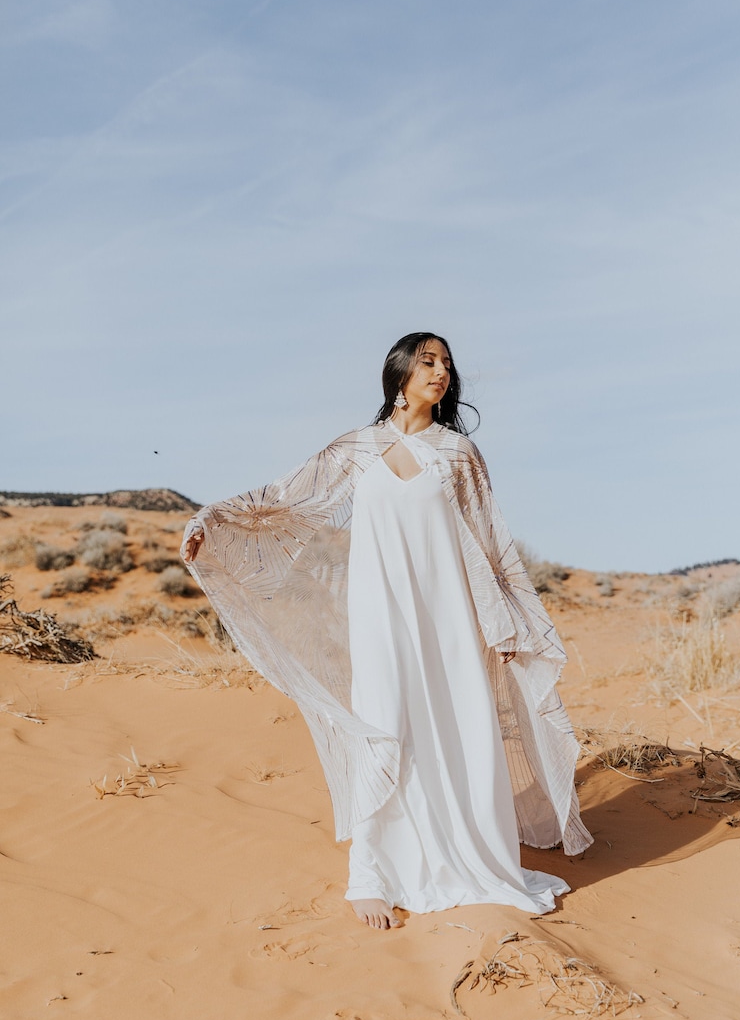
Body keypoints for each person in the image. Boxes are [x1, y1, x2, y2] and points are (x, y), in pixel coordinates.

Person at [182, 332, 592, 931]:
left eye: (447, 364)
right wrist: (209, 521)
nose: (442, 372)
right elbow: (282, 499)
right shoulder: (356, 449)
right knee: (385, 724)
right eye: (429, 361)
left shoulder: (458, 454)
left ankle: (474, 860)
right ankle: (375, 872)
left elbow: (489, 544)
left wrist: (502, 624)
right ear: (399, 372)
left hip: (450, 615)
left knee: (462, 727)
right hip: (379, 613)